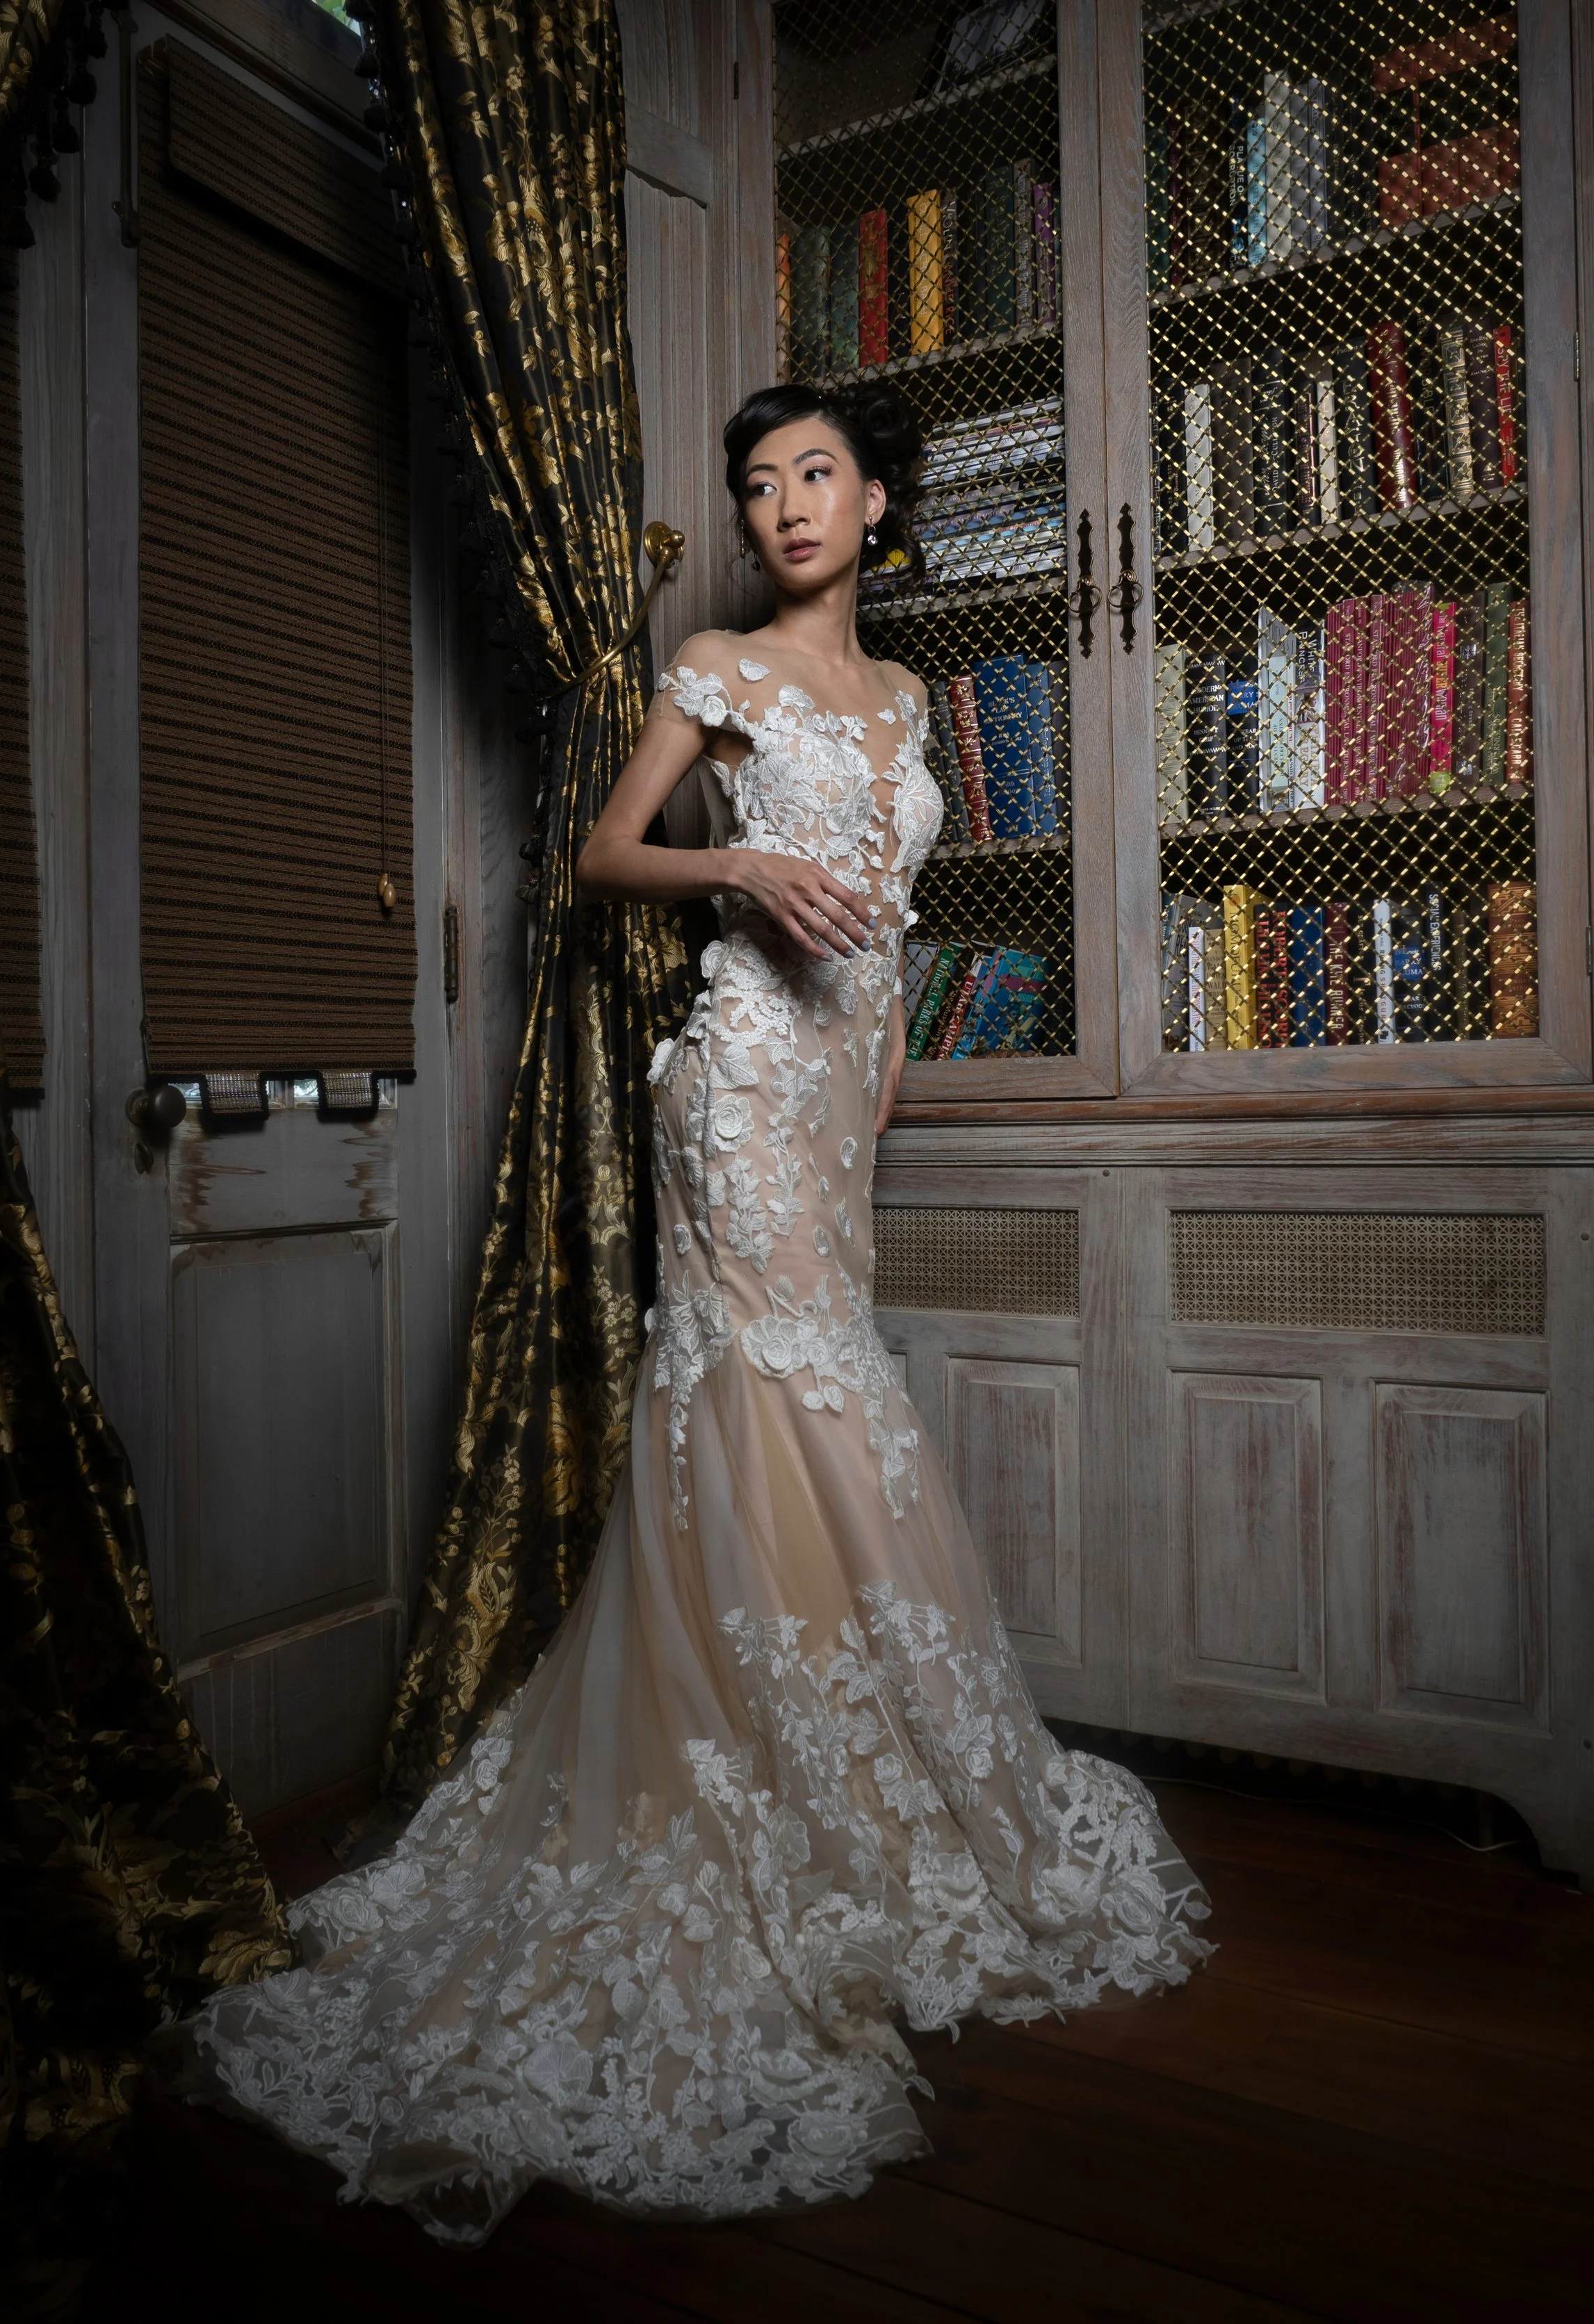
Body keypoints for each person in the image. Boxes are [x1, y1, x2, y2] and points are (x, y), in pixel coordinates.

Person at [179, 379, 1212, 2244]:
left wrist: (876, 1101)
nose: (784, 504)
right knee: (761, 1393)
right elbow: (597, 856)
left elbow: (888, 934)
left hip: (837, 1109)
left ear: (876, 499)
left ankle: (855, 1771)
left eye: (815, 473)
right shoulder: (719, 663)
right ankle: (741, 1769)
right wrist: (732, 859)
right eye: (757, 484)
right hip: (733, 1084)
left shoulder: (908, 709)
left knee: (830, 1395)